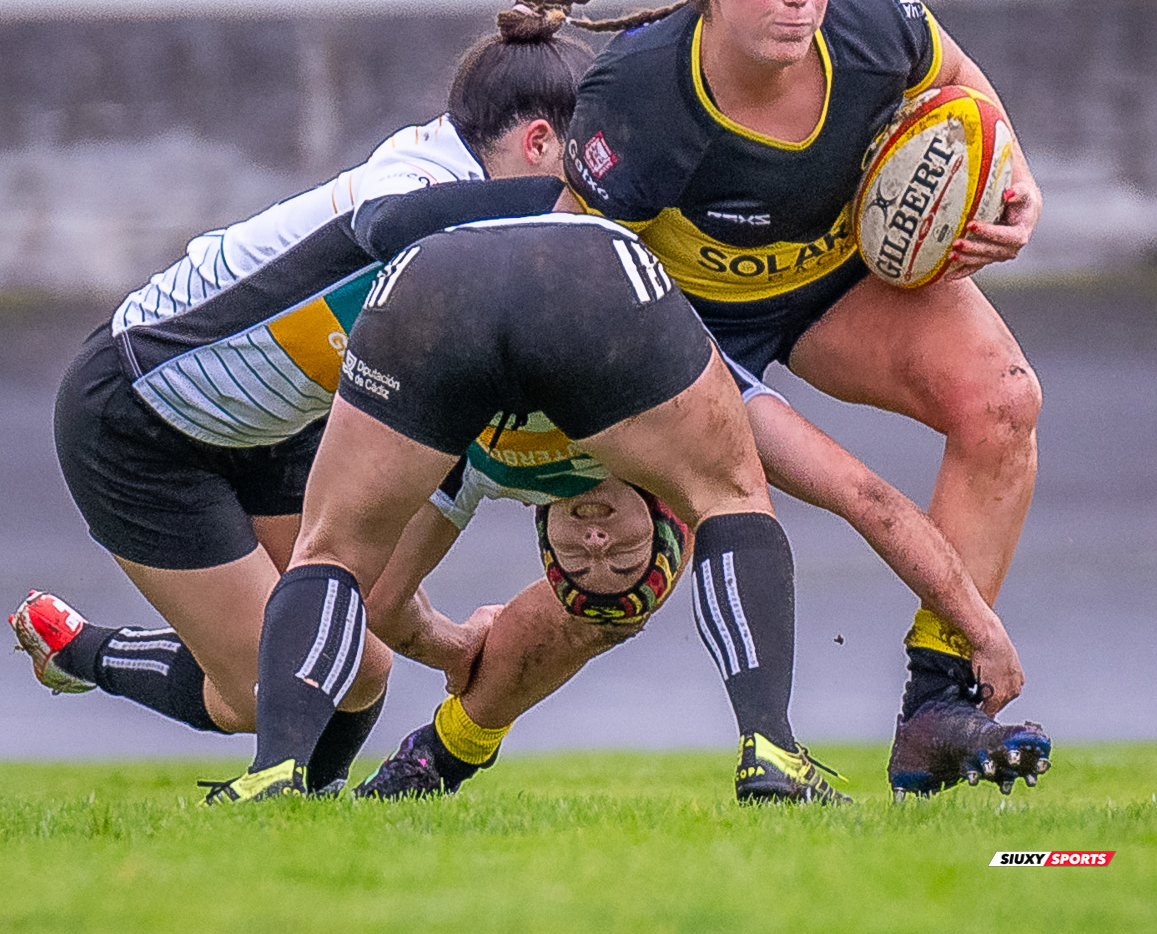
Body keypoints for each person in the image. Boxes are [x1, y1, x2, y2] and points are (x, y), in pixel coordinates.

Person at [466, 0, 1051, 798]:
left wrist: (1014, 177)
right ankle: (453, 740)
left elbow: (959, 81)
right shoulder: (637, 101)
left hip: (833, 287)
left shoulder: (869, 16)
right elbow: (573, 280)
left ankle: (937, 710)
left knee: (1003, 403)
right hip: (678, 323)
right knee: (617, 577)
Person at [212, 213, 1027, 808]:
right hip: (591, 277)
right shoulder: (694, 416)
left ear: (547, 543)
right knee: (736, 498)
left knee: (332, 551)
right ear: (658, 514)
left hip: (435, 278)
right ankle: (772, 751)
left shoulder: (476, 472)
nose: (597, 542)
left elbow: (378, 602)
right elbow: (866, 497)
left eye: (584, 560)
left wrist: (452, 644)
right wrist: (977, 627)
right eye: (621, 553)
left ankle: (275, 772)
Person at [10, 12, 585, 796]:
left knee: (357, 672)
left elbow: (383, 591)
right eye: (579, 168)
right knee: (261, 692)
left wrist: (454, 649)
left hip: (264, 425)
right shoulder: (423, 177)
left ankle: (302, 817)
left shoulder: (471, 205)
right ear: (543, 145)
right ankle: (80, 651)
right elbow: (385, 226)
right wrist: (553, 202)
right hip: (136, 414)